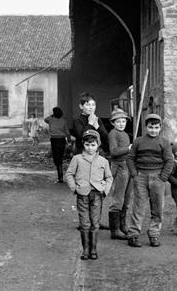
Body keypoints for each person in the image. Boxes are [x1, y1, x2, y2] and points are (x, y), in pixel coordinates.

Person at [127, 113, 174, 248]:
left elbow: (169, 161)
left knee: (157, 208)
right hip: (141, 177)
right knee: (138, 207)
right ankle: (133, 235)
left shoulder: (164, 142)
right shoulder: (138, 141)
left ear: (160, 128)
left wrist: (163, 177)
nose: (153, 130)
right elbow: (130, 158)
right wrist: (135, 174)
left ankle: (154, 234)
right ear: (146, 127)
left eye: (156, 127)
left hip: (157, 177)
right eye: (150, 127)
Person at [65, 130, 113, 260]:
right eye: (87, 145)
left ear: (98, 145)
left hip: (97, 194)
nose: (90, 148)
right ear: (83, 145)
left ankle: (93, 249)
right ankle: (85, 250)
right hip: (82, 194)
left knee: (95, 223)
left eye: (93, 145)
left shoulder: (103, 161)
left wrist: (105, 190)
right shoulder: (77, 159)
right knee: (84, 223)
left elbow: (109, 177)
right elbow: (69, 174)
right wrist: (74, 188)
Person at [107, 108, 133, 240]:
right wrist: (128, 148)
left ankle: (123, 225)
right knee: (118, 198)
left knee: (127, 198)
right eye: (118, 121)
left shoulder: (126, 135)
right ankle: (115, 230)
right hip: (119, 166)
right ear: (113, 123)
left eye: (123, 121)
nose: (122, 124)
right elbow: (113, 151)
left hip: (128, 165)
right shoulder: (113, 134)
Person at [44, 107, 71, 183]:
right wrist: (69, 141)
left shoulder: (50, 119)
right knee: (60, 157)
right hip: (62, 140)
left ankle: (60, 176)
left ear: (54, 113)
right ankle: (60, 175)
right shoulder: (63, 120)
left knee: (56, 158)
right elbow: (67, 132)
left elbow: (45, 119)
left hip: (54, 140)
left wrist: (52, 115)